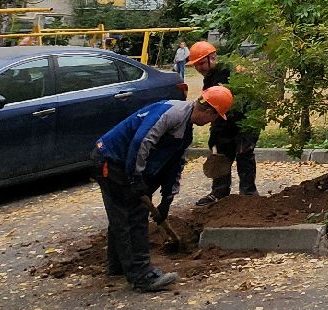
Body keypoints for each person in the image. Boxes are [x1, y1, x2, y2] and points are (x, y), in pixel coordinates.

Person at [93, 85, 232, 292]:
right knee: (132, 215)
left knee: (122, 215)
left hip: (123, 164)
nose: (213, 122)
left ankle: (118, 266)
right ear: (209, 111)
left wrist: (167, 199)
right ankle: (141, 275)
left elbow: (173, 165)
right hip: (110, 160)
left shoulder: (185, 131)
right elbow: (142, 141)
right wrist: (135, 177)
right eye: (215, 117)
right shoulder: (172, 113)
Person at [189, 41, 260, 204]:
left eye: (201, 64)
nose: (199, 68)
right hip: (225, 120)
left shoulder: (230, 72)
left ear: (212, 58)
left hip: (246, 119)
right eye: (196, 65)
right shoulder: (210, 77)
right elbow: (212, 108)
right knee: (220, 153)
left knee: (244, 153)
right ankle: (219, 192)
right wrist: (215, 136)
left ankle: (248, 194)